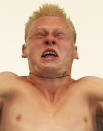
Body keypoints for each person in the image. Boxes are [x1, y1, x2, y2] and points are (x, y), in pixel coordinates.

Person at [0, 3, 103, 131]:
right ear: (24, 50)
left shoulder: (91, 90)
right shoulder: (8, 85)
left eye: (59, 35)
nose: (49, 39)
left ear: (74, 51)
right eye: (40, 34)